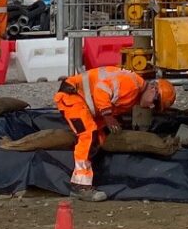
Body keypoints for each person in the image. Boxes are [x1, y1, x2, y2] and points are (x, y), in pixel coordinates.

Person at [51, 67, 175, 199]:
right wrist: (107, 114)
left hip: (81, 99)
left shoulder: (134, 93)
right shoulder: (132, 86)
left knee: (99, 138)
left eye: (156, 107)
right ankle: (80, 186)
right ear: (153, 89)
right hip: (72, 96)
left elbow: (112, 100)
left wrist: (112, 118)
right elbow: (101, 89)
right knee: (88, 135)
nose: (151, 106)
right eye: (155, 102)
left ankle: (87, 177)